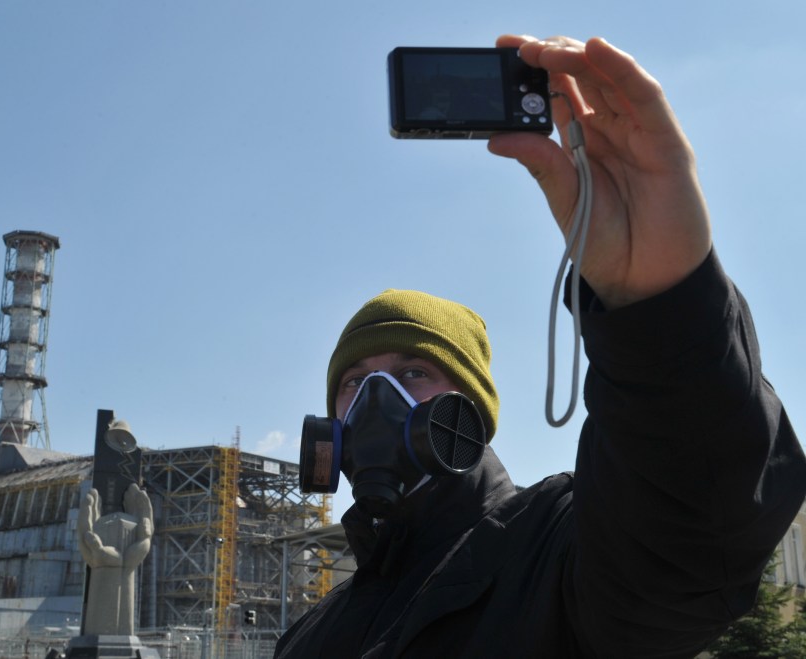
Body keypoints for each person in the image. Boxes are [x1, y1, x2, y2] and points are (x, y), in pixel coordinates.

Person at [274, 34, 806, 658]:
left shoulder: (556, 552)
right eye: (353, 381)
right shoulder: (309, 635)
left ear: (469, 410)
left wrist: (660, 304)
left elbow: (686, 528)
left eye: (413, 371)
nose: (374, 399)